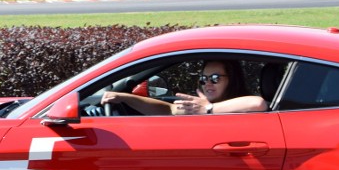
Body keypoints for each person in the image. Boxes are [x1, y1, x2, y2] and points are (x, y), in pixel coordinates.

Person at [101, 59, 268, 115]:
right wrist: (124, 97)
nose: (207, 83)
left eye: (215, 78)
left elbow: (258, 104)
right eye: (204, 78)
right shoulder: (199, 104)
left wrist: (209, 109)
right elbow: (168, 110)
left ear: (232, 80)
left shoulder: (237, 104)